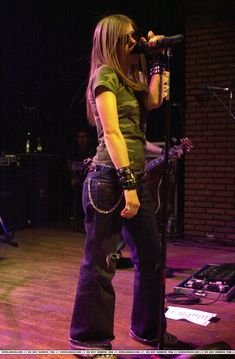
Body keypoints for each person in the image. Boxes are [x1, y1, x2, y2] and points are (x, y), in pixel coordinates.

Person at [69, 13, 182, 355]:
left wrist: (159, 59)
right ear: (114, 41)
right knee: (101, 262)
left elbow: (154, 101)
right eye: (130, 37)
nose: (136, 41)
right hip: (109, 179)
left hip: (134, 178)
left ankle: (148, 329)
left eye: (137, 36)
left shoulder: (131, 78)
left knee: (151, 256)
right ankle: (89, 340)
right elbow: (114, 133)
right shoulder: (104, 76)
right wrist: (129, 184)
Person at [67, 129, 95, 231]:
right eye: (80, 137)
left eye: (84, 137)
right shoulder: (73, 150)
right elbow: (70, 164)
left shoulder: (91, 150)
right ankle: (73, 217)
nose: (82, 139)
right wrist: (73, 178)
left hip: (88, 178)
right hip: (76, 177)